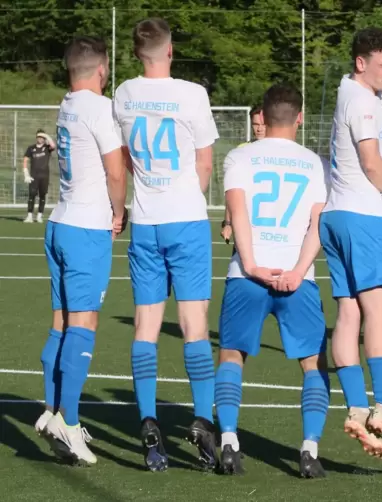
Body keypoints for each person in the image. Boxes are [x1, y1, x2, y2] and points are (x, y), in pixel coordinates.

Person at [112, 17, 219, 472]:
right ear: (170, 50)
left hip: (147, 221)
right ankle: (200, 420)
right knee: (194, 325)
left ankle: (149, 420)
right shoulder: (192, 94)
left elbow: (122, 158)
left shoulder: (123, 94)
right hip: (186, 220)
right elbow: (205, 162)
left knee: (145, 326)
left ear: (138, 53)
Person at [215, 83, 330, 478]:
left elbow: (238, 213)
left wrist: (251, 264)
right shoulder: (313, 162)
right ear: (300, 118)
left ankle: (229, 441)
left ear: (261, 116)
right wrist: (298, 270)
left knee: (231, 356)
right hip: (298, 279)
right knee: (314, 364)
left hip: (247, 275)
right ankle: (310, 449)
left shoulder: (240, 155)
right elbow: (319, 224)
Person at [320, 26, 382, 460]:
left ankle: (357, 409)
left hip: (336, 215)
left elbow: (381, 147)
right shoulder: (363, 101)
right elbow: (369, 158)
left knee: (348, 312)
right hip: (362, 217)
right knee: (378, 310)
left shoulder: (357, 93)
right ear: (361, 63)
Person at [37, 36, 127, 466]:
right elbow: (115, 169)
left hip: (59, 222)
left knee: (61, 321)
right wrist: (119, 210)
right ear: (102, 68)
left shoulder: (68, 103)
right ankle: (70, 424)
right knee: (84, 325)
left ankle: (54, 412)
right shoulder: (96, 106)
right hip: (86, 227)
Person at [221, 106, 266, 244]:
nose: (259, 129)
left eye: (263, 124)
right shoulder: (241, 151)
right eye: (255, 124)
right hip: (246, 223)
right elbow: (232, 191)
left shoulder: (282, 150)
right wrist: (228, 223)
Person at [22, 129, 57, 223]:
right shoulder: (31, 148)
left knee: (42, 195)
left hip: (44, 176)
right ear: (36, 137)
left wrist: (47, 136)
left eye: (42, 137)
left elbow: (53, 145)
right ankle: (29, 216)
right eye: (39, 136)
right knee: (32, 195)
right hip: (34, 176)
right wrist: (26, 173)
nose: (40, 138)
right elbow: (25, 159)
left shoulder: (47, 147)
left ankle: (39, 216)